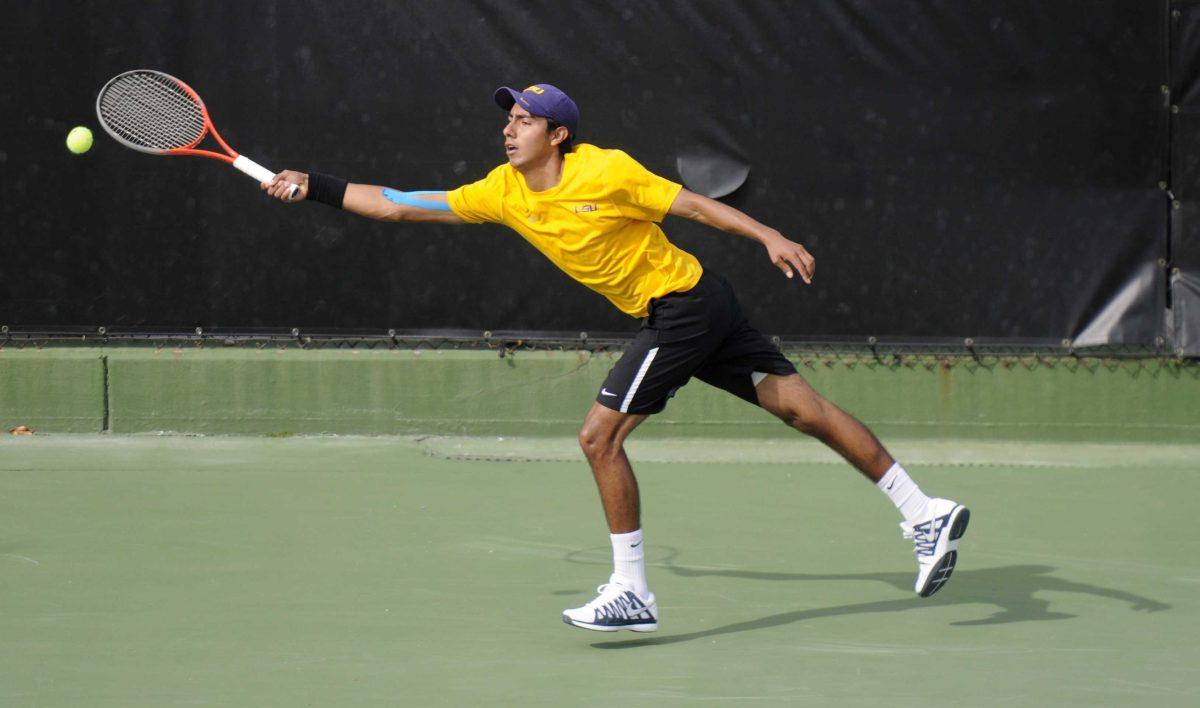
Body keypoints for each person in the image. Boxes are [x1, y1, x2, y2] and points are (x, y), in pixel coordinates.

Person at [264, 83, 969, 633]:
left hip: (684, 307)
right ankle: (923, 510)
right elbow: (397, 205)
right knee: (801, 408)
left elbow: (693, 206)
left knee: (598, 437)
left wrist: (768, 235)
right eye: (507, 118)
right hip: (700, 303)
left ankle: (631, 590)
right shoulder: (502, 192)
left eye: (524, 120)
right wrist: (316, 186)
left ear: (557, 135)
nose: (509, 128)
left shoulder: (606, 171)